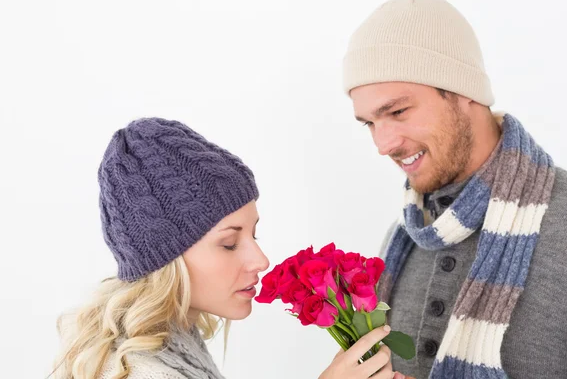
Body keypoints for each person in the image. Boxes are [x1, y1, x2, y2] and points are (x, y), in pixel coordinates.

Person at [342, 0, 567, 379]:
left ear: (465, 92)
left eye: (397, 112)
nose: (383, 145)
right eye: (369, 123)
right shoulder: (407, 237)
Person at [51, 118, 400, 379]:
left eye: (253, 235)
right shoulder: (141, 370)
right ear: (164, 260)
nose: (261, 260)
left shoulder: (172, 337)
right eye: (230, 243)